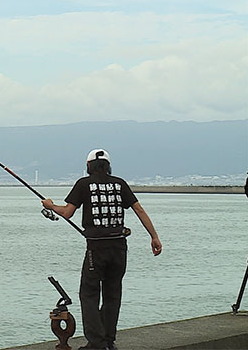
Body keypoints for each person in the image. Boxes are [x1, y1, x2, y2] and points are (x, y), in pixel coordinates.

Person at [41, 149, 162, 350]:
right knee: (113, 295)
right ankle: (108, 341)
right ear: (108, 166)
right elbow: (139, 210)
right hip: (119, 247)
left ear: (88, 166)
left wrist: (51, 205)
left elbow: (67, 212)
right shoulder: (120, 183)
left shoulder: (83, 184)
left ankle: (96, 344)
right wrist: (154, 237)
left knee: (88, 294)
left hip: (96, 249)